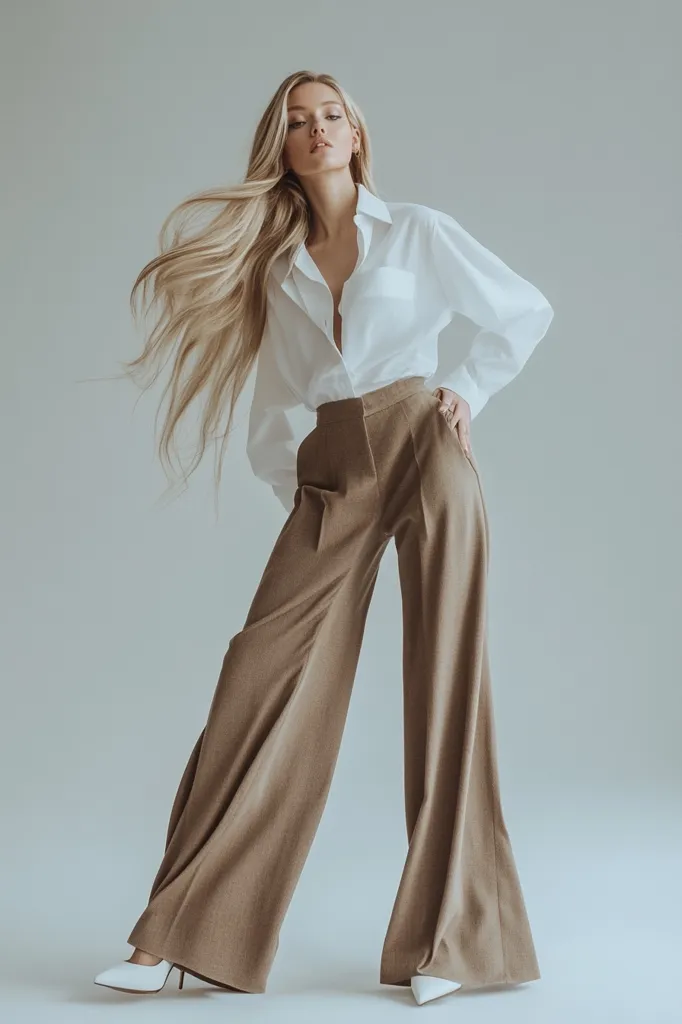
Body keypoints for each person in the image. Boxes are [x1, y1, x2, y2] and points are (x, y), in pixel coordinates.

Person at [94, 69, 554, 1007]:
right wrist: (301, 495)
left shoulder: (416, 231)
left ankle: (452, 946)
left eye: (331, 116)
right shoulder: (280, 268)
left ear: (356, 134)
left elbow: (523, 310)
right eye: (298, 122)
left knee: (445, 684)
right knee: (257, 673)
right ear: (283, 145)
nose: (317, 131)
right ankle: (180, 938)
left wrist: (467, 391)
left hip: (426, 441)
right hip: (336, 463)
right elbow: (275, 407)